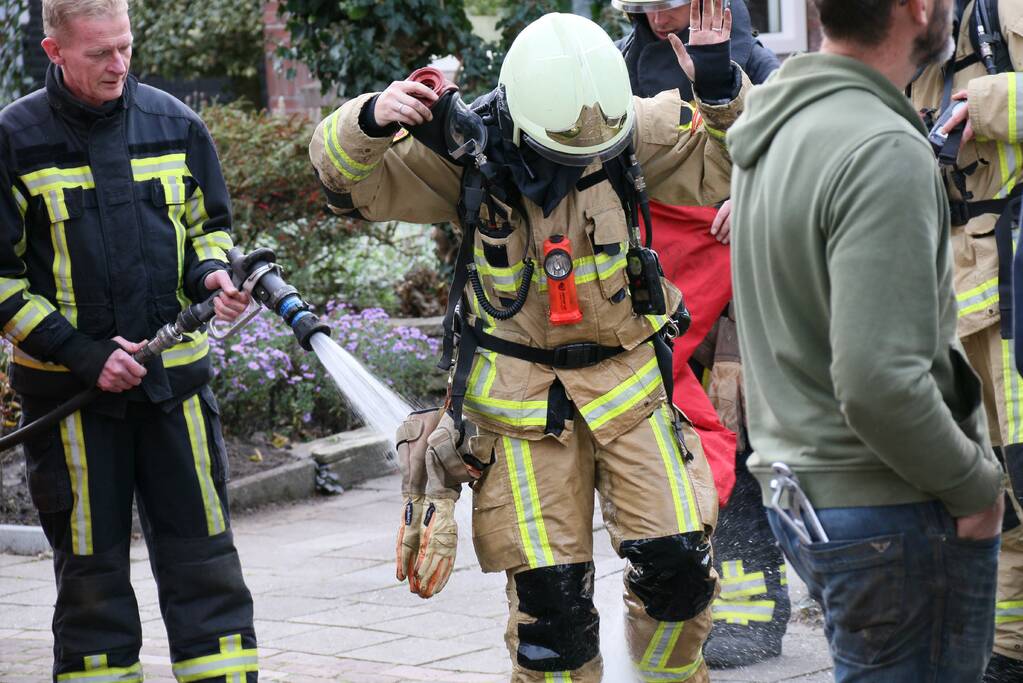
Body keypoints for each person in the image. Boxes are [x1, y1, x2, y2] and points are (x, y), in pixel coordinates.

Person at [310, 6, 749, 681]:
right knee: (553, 618)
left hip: (630, 394)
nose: (580, 165)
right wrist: (367, 117)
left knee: (680, 575)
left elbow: (733, 162)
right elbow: (348, 184)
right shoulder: (465, 153)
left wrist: (720, 93)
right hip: (520, 414)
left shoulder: (627, 128)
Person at [729, 0, 1006, 680]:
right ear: (914, 8)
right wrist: (977, 489)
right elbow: (878, 381)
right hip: (891, 511)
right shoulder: (883, 147)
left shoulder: (775, 124)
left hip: (806, 495)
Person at [0, 1, 258, 680]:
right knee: (91, 582)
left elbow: (211, 228)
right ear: (55, 51)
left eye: (125, 48)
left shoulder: (175, 124)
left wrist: (212, 276)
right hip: (74, 404)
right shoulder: (15, 140)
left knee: (206, 563)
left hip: (176, 391)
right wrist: (84, 354)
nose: (119, 65)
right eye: (99, 53)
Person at [612, 0, 787, 667]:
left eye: (670, 6)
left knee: (743, 436)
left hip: (741, 288)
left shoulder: (754, 65)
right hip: (667, 284)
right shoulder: (622, 64)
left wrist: (748, 193)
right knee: (686, 428)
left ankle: (753, 604)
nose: (658, 21)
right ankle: (703, 599)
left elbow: (788, 148)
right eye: (645, 9)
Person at [907, 1, 1023, 678]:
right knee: (993, 500)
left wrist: (987, 101)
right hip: (949, 305)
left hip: (1014, 287)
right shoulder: (897, 34)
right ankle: (1007, 652)